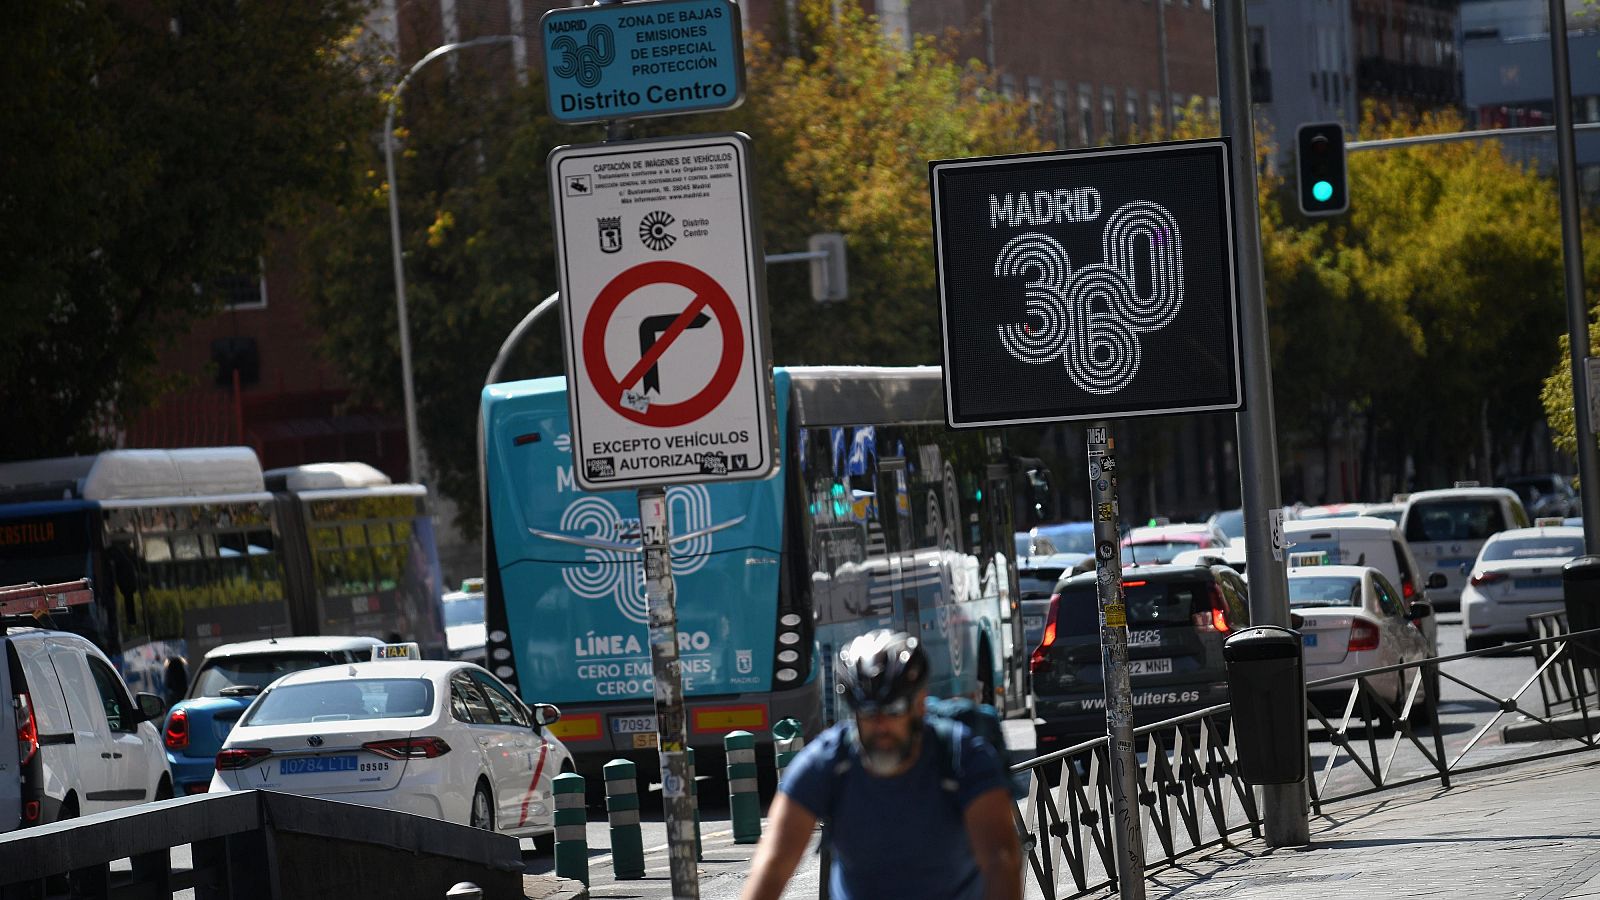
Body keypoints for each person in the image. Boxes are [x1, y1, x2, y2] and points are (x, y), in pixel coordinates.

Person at [739, 630, 1022, 900]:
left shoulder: (962, 756)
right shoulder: (826, 764)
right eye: (868, 713)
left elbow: (1000, 858)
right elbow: (774, 865)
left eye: (894, 710)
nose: (881, 726)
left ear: (920, 705)